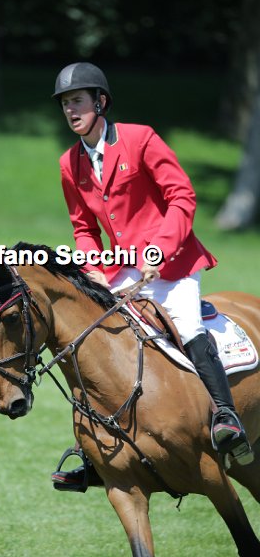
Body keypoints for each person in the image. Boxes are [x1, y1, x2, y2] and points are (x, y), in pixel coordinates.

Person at [50, 62, 253, 492]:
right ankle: (93, 450)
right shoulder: (71, 163)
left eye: (77, 101)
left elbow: (182, 196)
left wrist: (159, 248)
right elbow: (83, 228)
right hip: (120, 269)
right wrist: (92, 269)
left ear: (100, 102)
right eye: (65, 104)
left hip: (172, 262)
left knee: (187, 326)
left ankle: (226, 416)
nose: (71, 110)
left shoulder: (140, 138)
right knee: (92, 340)